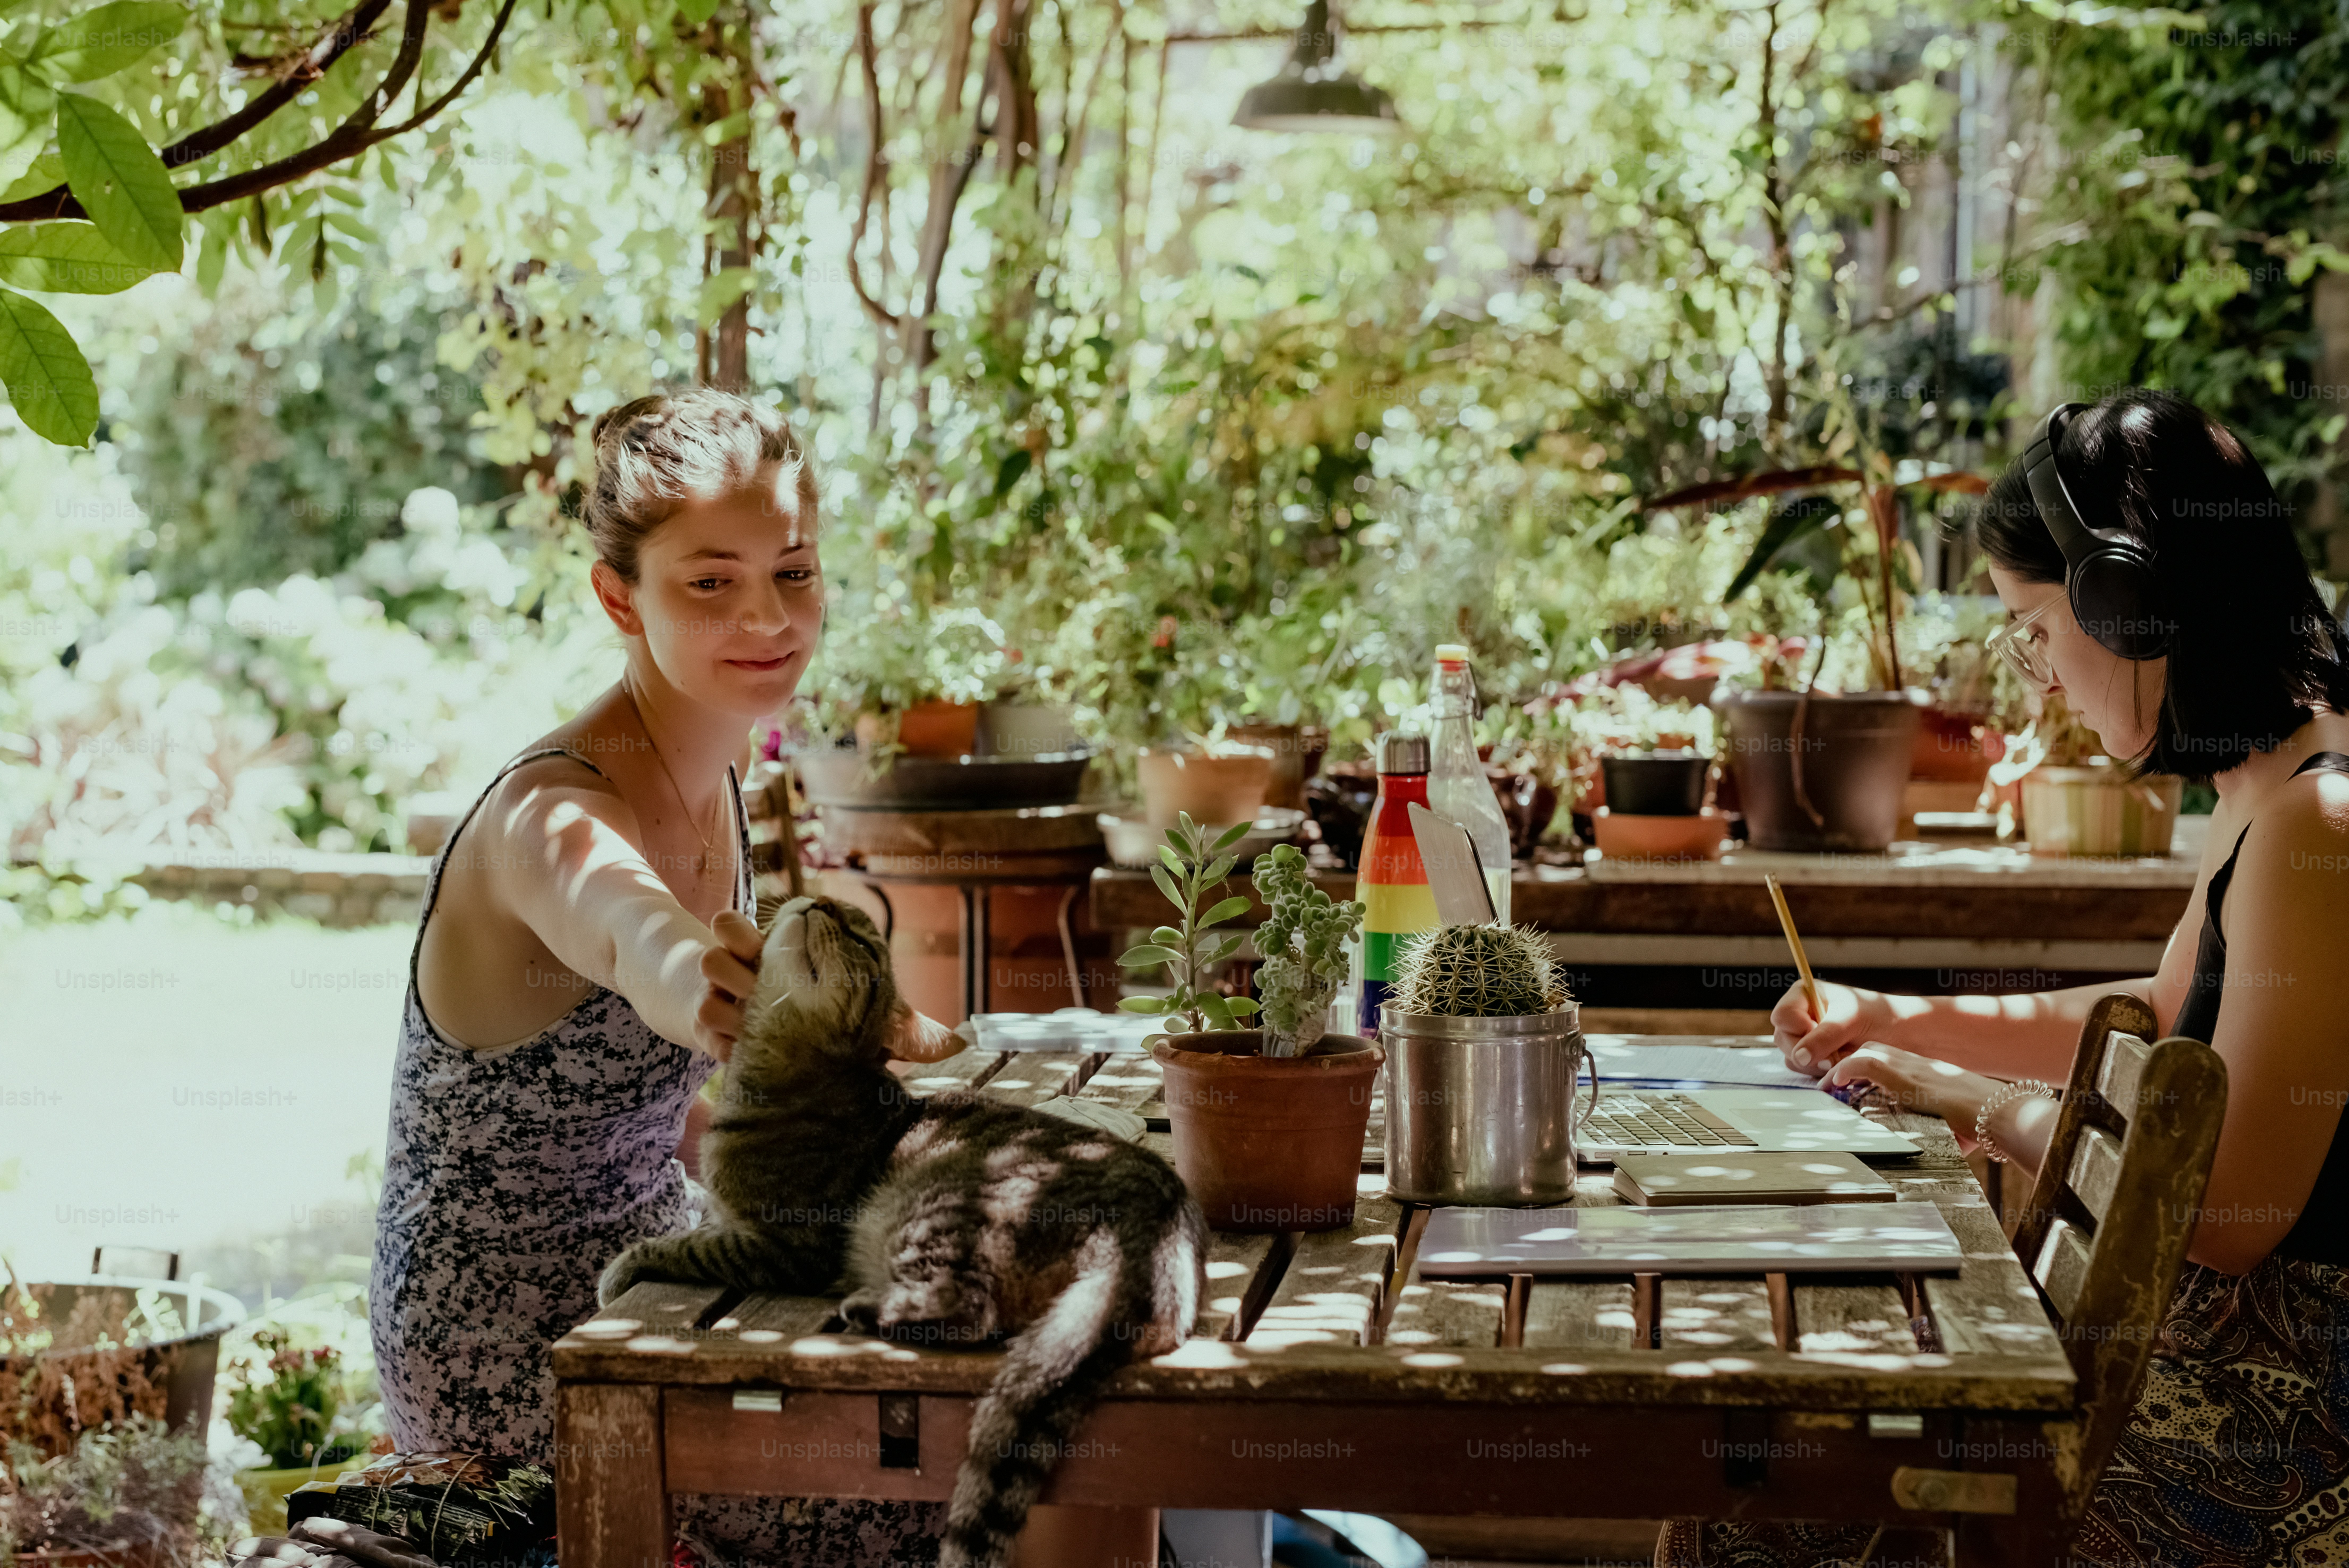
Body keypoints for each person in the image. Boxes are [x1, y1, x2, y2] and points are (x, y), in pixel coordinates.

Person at [1687, 389, 2349, 1567]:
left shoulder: (2319, 825)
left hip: (2284, 1418)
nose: (2035, 675)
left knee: (1768, 1513)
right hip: (2191, 1357)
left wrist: (1967, 1104)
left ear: (2131, 604)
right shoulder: (2270, 787)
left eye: (2033, 629)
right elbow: (2148, 1021)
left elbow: (2228, 1209)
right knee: (1760, 1475)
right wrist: (1887, 1017)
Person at [367, 389, 965, 1567]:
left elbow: (649, 1109)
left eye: (793, 572)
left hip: (660, 1289)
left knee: (986, 1397)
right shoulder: (551, 815)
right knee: (935, 1483)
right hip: (509, 1360)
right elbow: (632, 936)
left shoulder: (718, 784)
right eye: (710, 581)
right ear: (616, 597)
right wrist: (698, 973)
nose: (768, 616)